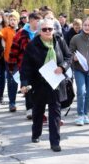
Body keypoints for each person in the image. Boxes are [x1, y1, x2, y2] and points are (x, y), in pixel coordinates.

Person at [20, 18, 72, 152]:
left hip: (56, 83)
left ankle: (55, 142)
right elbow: (26, 67)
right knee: (38, 111)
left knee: (55, 113)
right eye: (44, 29)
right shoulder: (32, 45)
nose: (48, 31)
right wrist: (24, 84)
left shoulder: (59, 41)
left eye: (50, 29)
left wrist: (63, 67)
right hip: (39, 84)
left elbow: (69, 56)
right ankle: (36, 133)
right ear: (39, 31)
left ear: (54, 29)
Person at [9, 12, 42, 119]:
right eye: (37, 21)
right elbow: (13, 50)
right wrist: (11, 66)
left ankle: (37, 107)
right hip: (24, 65)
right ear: (31, 21)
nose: (39, 23)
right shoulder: (21, 33)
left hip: (39, 65)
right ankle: (29, 109)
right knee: (27, 87)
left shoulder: (42, 32)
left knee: (38, 87)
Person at [69, 17, 89, 126]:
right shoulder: (75, 38)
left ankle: (86, 114)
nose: (86, 27)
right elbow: (69, 52)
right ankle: (80, 115)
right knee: (81, 91)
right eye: (85, 25)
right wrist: (73, 57)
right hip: (79, 69)